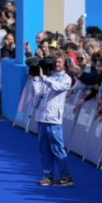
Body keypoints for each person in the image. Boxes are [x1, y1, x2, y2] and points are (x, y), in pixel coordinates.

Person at [28, 53, 74, 187]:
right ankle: (48, 175)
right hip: (41, 117)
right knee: (44, 149)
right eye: (55, 62)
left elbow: (58, 87)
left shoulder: (66, 78)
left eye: (59, 62)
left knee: (57, 149)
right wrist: (36, 78)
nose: (57, 64)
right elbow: (36, 93)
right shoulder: (47, 76)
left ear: (64, 64)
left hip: (54, 119)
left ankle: (66, 177)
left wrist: (44, 78)